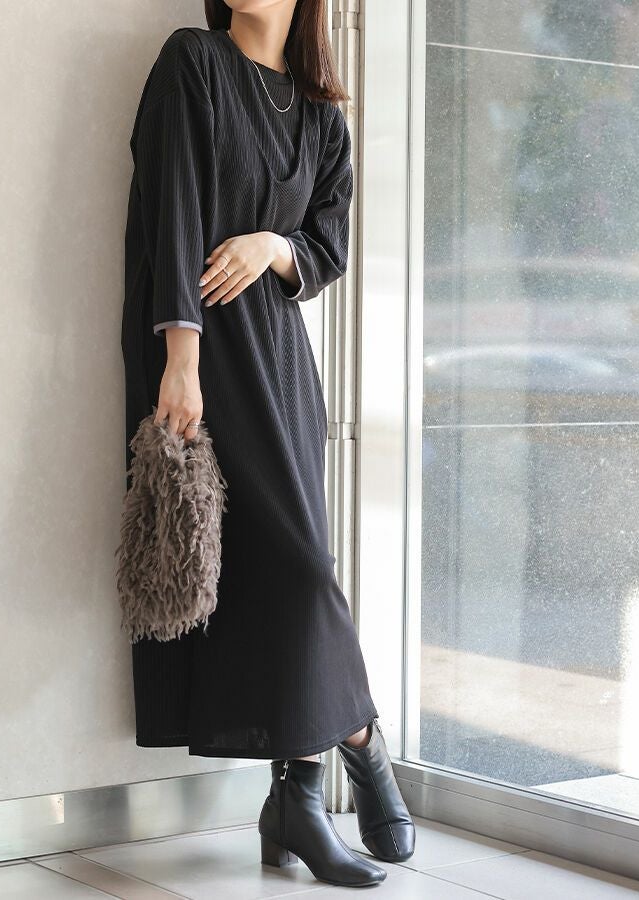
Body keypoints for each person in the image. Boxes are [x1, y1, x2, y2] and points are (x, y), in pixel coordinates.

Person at [121, 0, 415, 887]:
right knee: (297, 567)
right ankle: (360, 740)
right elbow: (171, 212)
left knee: (286, 571)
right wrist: (179, 361)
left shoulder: (322, 113)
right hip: (205, 350)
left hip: (283, 360)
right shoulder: (193, 63)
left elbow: (327, 243)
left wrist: (271, 247)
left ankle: (297, 795)